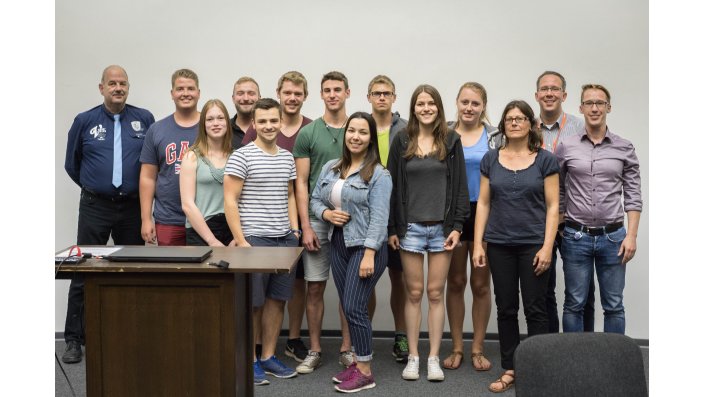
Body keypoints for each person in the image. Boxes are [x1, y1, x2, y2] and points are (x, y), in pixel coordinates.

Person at [62, 65, 155, 364]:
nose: (118, 88)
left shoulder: (144, 119)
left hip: (131, 207)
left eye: (123, 83)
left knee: (133, 271)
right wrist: (97, 187)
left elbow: (151, 166)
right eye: (112, 83)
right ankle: (75, 339)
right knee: (82, 269)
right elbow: (71, 164)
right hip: (95, 206)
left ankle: (132, 334)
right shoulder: (85, 121)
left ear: (129, 87)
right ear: (101, 87)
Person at [472, 100, 559, 393]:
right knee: (506, 308)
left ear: (530, 124)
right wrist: (478, 245)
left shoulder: (545, 160)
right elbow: (483, 203)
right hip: (499, 244)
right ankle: (510, 368)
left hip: (534, 244)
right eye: (510, 118)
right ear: (503, 125)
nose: (515, 122)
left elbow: (553, 206)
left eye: (521, 118)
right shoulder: (491, 159)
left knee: (536, 309)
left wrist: (548, 247)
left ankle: (539, 369)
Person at [387, 84, 469, 382]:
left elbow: (461, 188)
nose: (425, 108)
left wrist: (458, 226)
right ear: (413, 108)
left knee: (436, 293)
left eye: (431, 103)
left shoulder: (452, 140)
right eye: (420, 103)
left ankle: (433, 358)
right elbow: (391, 187)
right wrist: (392, 228)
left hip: (442, 229)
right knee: (414, 292)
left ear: (438, 107)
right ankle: (413, 357)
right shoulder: (402, 140)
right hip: (409, 229)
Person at [310, 112, 392, 393]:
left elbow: (380, 219)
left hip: (365, 247)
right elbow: (314, 200)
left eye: (363, 132)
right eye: (351, 131)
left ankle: (366, 371)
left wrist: (369, 253)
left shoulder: (380, 175)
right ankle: (357, 364)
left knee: (356, 306)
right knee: (348, 306)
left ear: (371, 138)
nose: (356, 137)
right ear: (345, 135)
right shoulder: (332, 168)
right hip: (339, 244)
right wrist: (327, 214)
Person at [224, 98, 300, 385]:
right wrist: (241, 240)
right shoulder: (241, 156)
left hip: (284, 240)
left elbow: (291, 194)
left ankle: (268, 355)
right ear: (254, 124)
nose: (269, 126)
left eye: (273, 120)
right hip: (254, 240)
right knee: (254, 304)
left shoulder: (286, 157)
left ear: (280, 122)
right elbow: (230, 200)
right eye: (263, 121)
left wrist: (294, 230)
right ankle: (251, 360)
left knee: (277, 301)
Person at [556, 84, 642, 335]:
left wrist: (632, 236)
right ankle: (574, 362)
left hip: (614, 238)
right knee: (574, 304)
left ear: (609, 107)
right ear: (581, 108)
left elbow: (634, 195)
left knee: (614, 306)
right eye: (589, 103)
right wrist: (562, 226)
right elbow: (559, 189)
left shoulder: (624, 147)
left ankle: (613, 366)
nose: (595, 108)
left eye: (600, 103)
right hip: (576, 237)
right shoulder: (566, 146)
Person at [243, 71, 314, 363]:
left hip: (288, 229)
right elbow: (236, 194)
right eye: (288, 93)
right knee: (256, 298)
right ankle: (255, 352)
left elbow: (294, 188)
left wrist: (297, 229)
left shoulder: (308, 131)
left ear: (304, 96)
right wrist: (240, 236)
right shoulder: (248, 145)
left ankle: (284, 345)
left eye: (298, 93)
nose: (292, 98)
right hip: (256, 231)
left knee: (287, 290)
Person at [292, 71, 355, 373]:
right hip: (317, 219)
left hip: (349, 219)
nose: (332, 94)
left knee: (347, 288)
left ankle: (347, 348)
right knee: (314, 287)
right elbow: (301, 183)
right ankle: (315, 349)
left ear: (347, 92)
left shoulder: (357, 129)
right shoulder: (309, 133)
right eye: (327, 90)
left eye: (338, 89)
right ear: (321, 94)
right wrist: (305, 225)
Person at [443, 82, 499, 371]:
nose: (469, 108)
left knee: (479, 284)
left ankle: (477, 348)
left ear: (483, 106)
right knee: (455, 282)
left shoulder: (494, 137)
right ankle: (456, 347)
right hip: (453, 214)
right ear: (457, 102)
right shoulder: (445, 134)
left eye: (475, 103)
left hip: (483, 213)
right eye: (464, 102)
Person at [534, 70, 595, 333]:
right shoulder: (525, 128)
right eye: (544, 88)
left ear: (564, 95)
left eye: (555, 89)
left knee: (582, 292)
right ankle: (552, 351)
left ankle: (586, 349)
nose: (549, 93)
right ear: (536, 95)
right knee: (544, 289)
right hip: (538, 219)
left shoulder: (581, 128)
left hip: (574, 221)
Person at [366, 74, 409, 363]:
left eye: (387, 93)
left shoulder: (407, 129)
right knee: (364, 279)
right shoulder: (358, 126)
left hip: (398, 215)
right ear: (368, 96)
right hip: (364, 215)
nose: (382, 97)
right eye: (376, 93)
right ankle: (363, 334)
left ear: (394, 97)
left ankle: (401, 336)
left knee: (400, 278)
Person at [139, 68, 201, 246]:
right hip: (168, 218)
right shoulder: (157, 130)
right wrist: (146, 219)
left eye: (190, 88)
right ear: (172, 93)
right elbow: (147, 177)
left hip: (205, 218)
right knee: (171, 272)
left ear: (198, 93)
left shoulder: (211, 126)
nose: (185, 93)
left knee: (206, 273)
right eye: (180, 89)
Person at [179, 99, 235, 247]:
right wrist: (212, 240)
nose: (215, 123)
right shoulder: (191, 157)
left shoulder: (237, 157)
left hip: (232, 231)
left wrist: (238, 237)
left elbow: (244, 201)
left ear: (227, 123)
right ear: (203, 125)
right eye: (209, 119)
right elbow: (187, 204)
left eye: (220, 118)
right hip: (201, 231)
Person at [230, 76, 259, 149]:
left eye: (251, 93)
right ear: (233, 98)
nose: (246, 98)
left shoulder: (269, 128)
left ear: (259, 98)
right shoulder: (224, 129)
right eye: (240, 93)